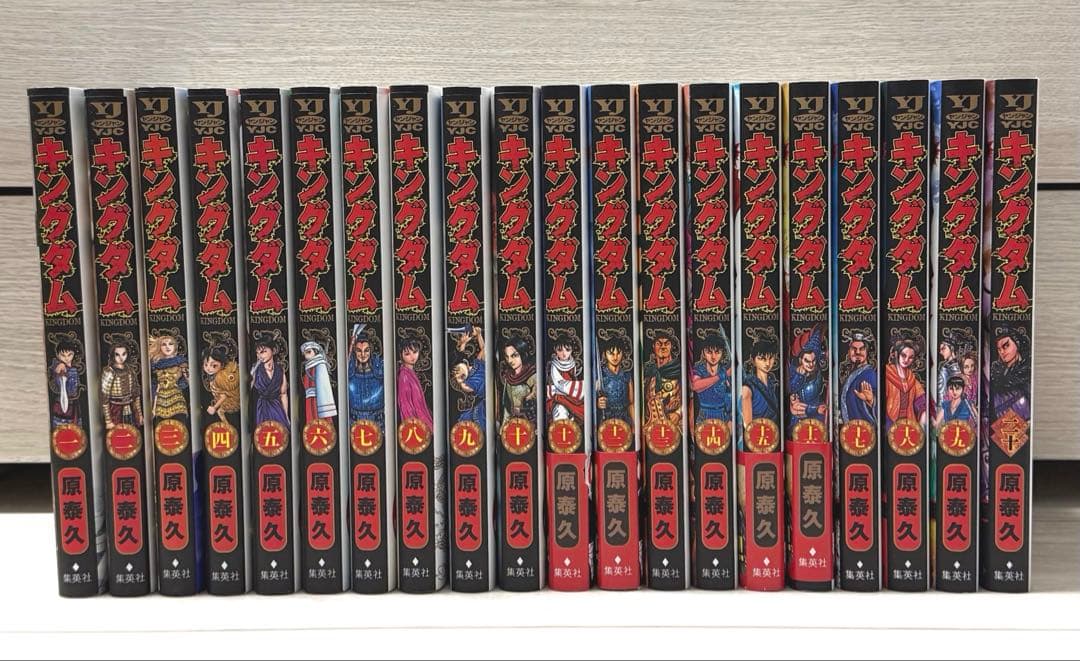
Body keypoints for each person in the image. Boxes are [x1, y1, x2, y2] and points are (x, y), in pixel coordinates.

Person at [884, 337, 927, 432]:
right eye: (903, 355)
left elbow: (921, 401)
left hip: (909, 423)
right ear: (897, 354)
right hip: (889, 422)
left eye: (911, 357)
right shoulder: (887, 375)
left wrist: (923, 414)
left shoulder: (912, 379)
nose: (906, 360)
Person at [788, 327, 827, 431]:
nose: (811, 365)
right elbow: (791, 393)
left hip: (816, 419)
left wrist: (817, 409)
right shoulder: (793, 373)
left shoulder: (818, 374)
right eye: (807, 361)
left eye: (813, 361)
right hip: (797, 421)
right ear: (801, 360)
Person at [689, 331, 731, 426]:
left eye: (717, 352)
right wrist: (721, 376)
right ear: (704, 353)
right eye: (709, 352)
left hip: (723, 416)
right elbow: (695, 386)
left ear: (722, 353)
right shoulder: (699, 369)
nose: (713, 356)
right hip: (704, 416)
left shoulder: (724, 370)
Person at [347, 324, 384, 427]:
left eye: (366, 350)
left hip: (378, 420)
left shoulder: (380, 368)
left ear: (370, 351)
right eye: (359, 351)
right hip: (354, 420)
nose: (363, 355)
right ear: (354, 352)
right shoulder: (349, 369)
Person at [740, 334, 779, 430]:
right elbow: (748, 425)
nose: (767, 363)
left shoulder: (773, 383)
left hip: (774, 431)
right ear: (753, 360)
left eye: (770, 358)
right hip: (757, 433)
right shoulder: (748, 385)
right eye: (762, 359)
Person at [250, 332, 289, 427]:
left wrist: (286, 415)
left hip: (277, 408)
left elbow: (283, 394)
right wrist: (251, 375)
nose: (260, 356)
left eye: (263, 352)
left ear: (273, 350)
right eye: (257, 353)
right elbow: (247, 390)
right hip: (262, 408)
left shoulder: (280, 370)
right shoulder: (255, 370)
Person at [449, 325, 485, 426]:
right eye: (456, 375)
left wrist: (478, 335)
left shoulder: (476, 365)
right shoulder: (467, 382)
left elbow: (484, 350)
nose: (457, 372)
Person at [643, 331, 681, 428]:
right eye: (659, 344)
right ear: (653, 346)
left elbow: (691, 397)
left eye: (667, 344)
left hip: (673, 423)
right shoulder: (649, 371)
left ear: (671, 346)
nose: (663, 347)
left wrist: (678, 413)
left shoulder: (679, 369)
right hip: (651, 424)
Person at [101, 340, 143, 429]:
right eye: (117, 354)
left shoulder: (130, 370)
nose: (121, 358)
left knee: (132, 431)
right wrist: (108, 420)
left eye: (124, 354)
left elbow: (136, 393)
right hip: (115, 409)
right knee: (116, 433)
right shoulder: (109, 372)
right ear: (113, 355)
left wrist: (139, 414)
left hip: (130, 407)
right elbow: (104, 397)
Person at [498, 335, 537, 427]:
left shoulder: (531, 374)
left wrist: (523, 408)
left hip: (530, 423)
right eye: (507, 357)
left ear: (522, 354)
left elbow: (537, 403)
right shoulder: (508, 376)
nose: (510, 360)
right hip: (512, 422)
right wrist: (504, 427)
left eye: (514, 356)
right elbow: (507, 407)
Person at [839, 331, 876, 425]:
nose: (857, 352)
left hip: (864, 429)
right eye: (854, 349)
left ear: (867, 352)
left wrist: (872, 400)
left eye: (862, 349)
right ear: (849, 351)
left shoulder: (870, 375)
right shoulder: (852, 373)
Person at [149, 331, 189, 420]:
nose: (167, 347)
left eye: (170, 344)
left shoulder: (181, 362)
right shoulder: (155, 365)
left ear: (175, 347)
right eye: (164, 345)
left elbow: (188, 382)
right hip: (160, 401)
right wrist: (153, 408)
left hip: (177, 399)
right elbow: (155, 387)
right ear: (159, 347)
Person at [546, 332, 584, 424]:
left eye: (567, 350)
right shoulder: (553, 365)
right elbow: (557, 383)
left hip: (571, 396)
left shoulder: (572, 363)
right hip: (558, 395)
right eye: (560, 350)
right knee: (560, 412)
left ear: (571, 350)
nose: (564, 353)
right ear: (555, 350)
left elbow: (573, 378)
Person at [596, 334, 633, 426]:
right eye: (611, 353)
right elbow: (589, 401)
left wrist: (634, 424)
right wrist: (597, 403)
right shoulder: (600, 375)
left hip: (624, 420)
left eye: (618, 353)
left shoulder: (626, 375)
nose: (615, 357)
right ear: (605, 354)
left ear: (623, 354)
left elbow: (631, 403)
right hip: (605, 419)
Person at [397, 338, 433, 429]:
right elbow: (405, 405)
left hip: (421, 417)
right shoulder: (404, 376)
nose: (412, 356)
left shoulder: (410, 372)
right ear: (401, 355)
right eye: (407, 354)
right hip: (414, 422)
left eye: (415, 352)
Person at [201, 342, 240, 422]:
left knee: (220, 412)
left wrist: (214, 407)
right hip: (226, 401)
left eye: (214, 365)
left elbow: (224, 396)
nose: (208, 368)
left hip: (231, 401)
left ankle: (227, 426)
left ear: (222, 365)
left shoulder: (220, 377)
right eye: (206, 365)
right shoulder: (214, 376)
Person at [301, 340, 337, 421]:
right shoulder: (308, 366)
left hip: (319, 398)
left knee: (321, 420)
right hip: (309, 398)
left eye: (309, 352)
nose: (306, 356)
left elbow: (322, 384)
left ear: (316, 352)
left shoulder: (320, 364)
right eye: (305, 353)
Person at [50, 338, 81, 425]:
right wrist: (58, 368)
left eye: (69, 355)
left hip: (74, 404)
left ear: (73, 354)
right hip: (61, 402)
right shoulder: (59, 368)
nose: (66, 358)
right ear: (58, 355)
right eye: (63, 355)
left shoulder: (74, 369)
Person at [937, 339, 961, 405]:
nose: (940, 352)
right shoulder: (946, 364)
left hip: (947, 402)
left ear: (952, 348)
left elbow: (957, 385)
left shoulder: (954, 366)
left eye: (943, 348)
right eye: (940, 349)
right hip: (942, 399)